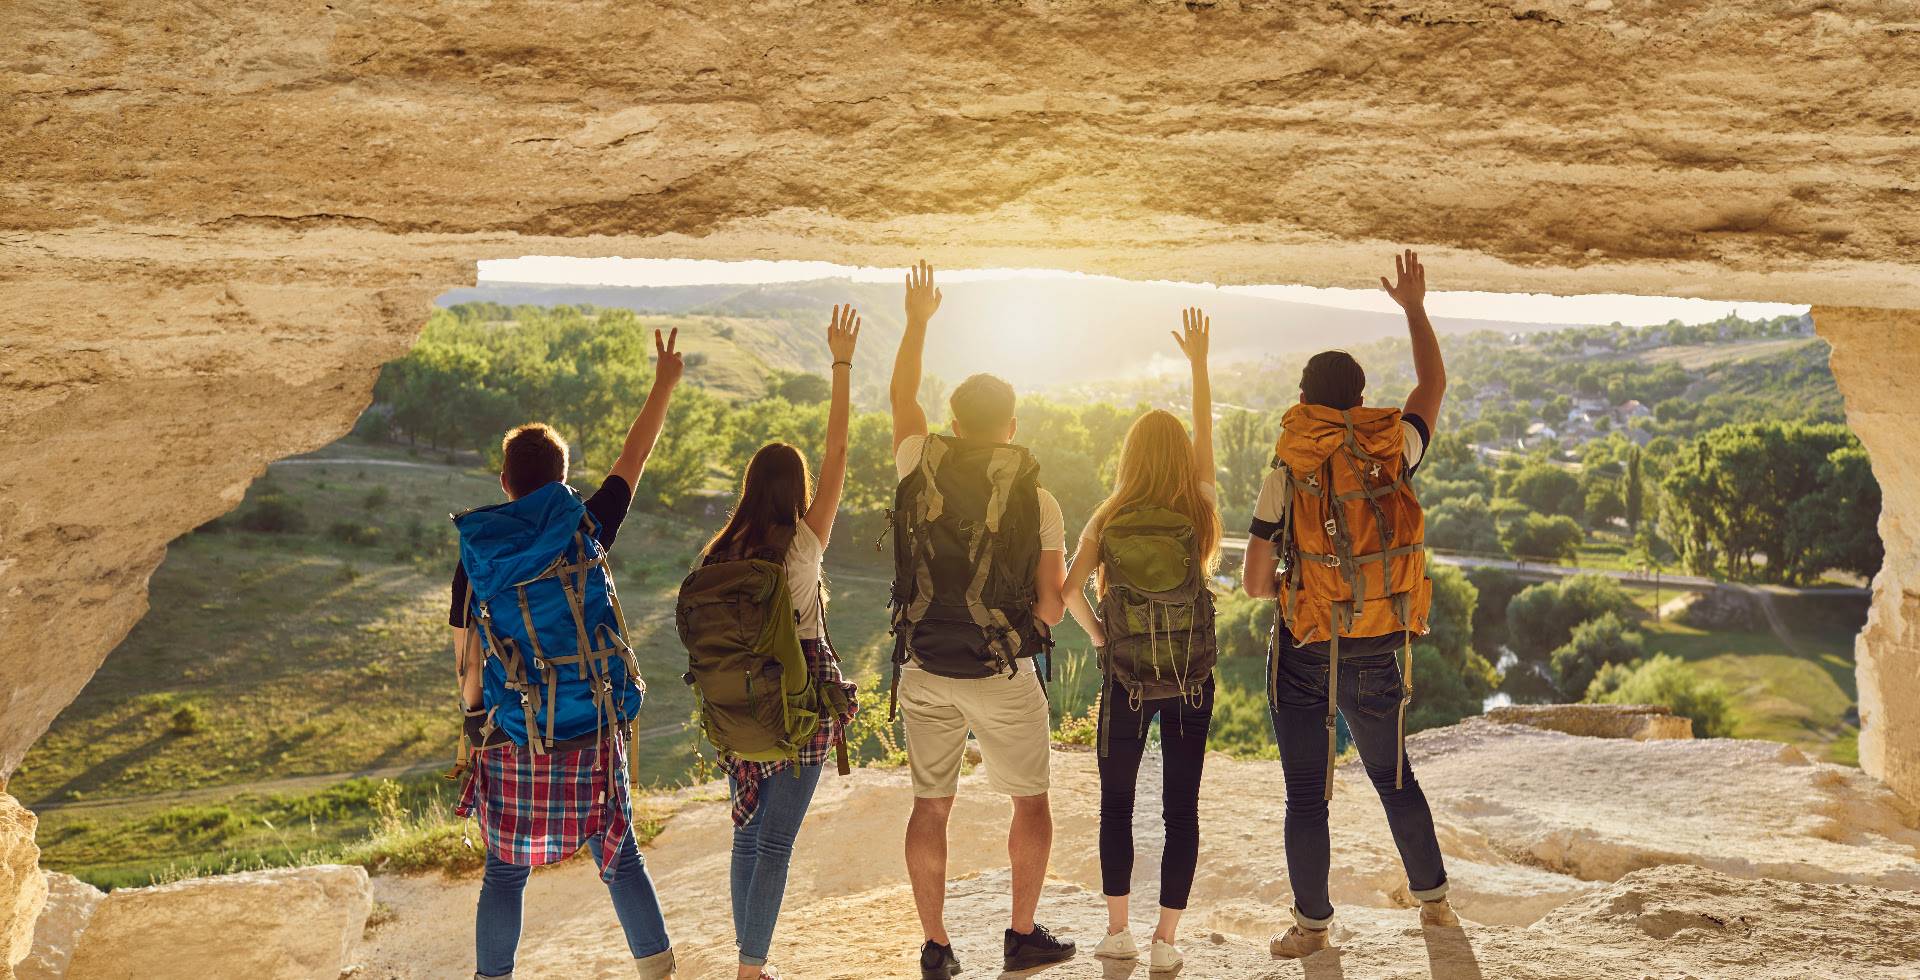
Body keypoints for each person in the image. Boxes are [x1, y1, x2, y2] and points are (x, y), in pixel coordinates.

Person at [449, 328, 685, 980]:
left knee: (504, 871)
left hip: (520, 730)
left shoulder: (479, 550)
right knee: (621, 858)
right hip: (594, 717)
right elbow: (632, 461)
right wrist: (664, 382)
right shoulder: (584, 521)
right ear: (562, 481)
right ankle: (658, 970)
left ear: (504, 481)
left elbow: (468, 656)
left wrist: (475, 724)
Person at [1244, 250, 1458, 959]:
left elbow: (1251, 580)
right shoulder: (1392, 447)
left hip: (1305, 648)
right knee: (1394, 778)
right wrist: (1414, 307)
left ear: (1306, 400)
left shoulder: (1289, 465)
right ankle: (1435, 910)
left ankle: (1312, 928)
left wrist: (1296, 587)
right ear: (1361, 395)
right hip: (1379, 643)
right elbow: (1433, 381)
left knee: (1308, 794)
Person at [886, 261, 1076, 979]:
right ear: (1013, 428)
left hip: (926, 662)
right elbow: (1052, 606)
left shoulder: (917, 463)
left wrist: (918, 320)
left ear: (954, 425)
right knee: (1030, 802)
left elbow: (902, 395)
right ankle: (1021, 935)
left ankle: (936, 947)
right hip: (1002, 670)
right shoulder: (1042, 501)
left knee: (930, 807)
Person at [695, 306, 863, 980]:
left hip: (737, 703)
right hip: (797, 697)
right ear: (794, 492)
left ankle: (749, 962)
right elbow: (840, 454)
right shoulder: (802, 541)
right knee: (777, 844)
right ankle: (750, 967)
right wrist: (842, 363)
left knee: (748, 837)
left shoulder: (720, 550)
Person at [1063, 308, 1223, 973]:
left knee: (1117, 808)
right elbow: (1207, 445)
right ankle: (1165, 943)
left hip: (1125, 677)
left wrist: (1103, 638)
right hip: (1190, 678)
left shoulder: (1111, 513)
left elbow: (1069, 591)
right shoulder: (1198, 510)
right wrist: (1199, 367)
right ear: (1181, 458)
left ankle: (1119, 934)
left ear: (1128, 458)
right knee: (1180, 811)